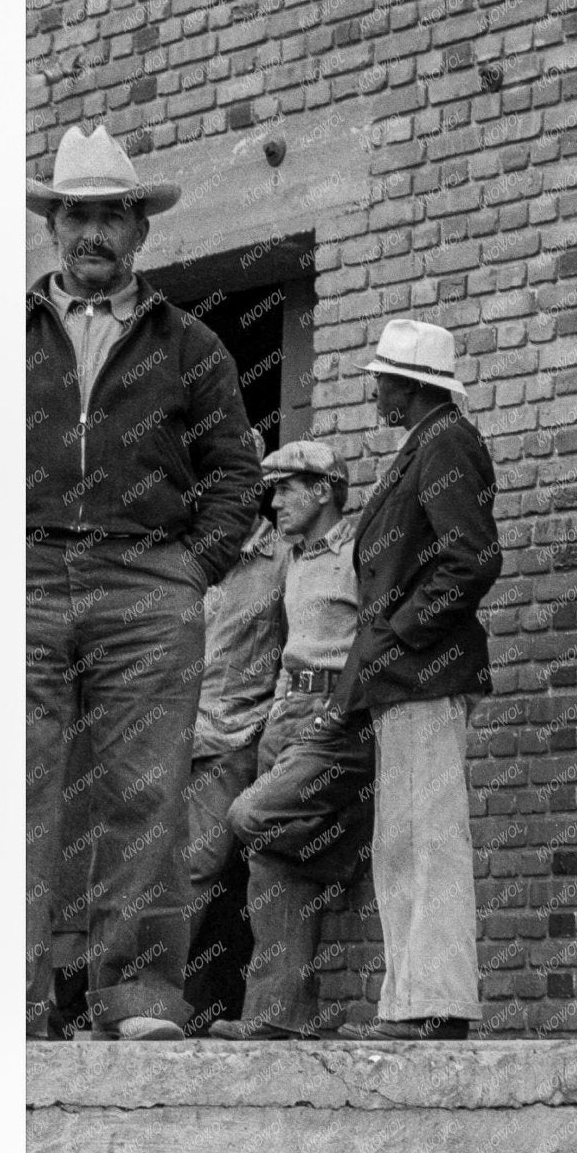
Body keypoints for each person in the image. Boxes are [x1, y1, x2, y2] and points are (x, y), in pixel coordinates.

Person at [26, 124, 262, 1039]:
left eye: (111, 218)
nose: (93, 234)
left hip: (146, 585)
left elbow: (235, 474)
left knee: (146, 791)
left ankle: (138, 996)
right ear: (55, 226)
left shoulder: (191, 342)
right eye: (77, 215)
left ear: (140, 232)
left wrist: (190, 570)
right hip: (29, 575)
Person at [327, 317, 501, 1041]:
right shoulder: (423, 445)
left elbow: (472, 558)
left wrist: (400, 637)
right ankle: (411, 1000)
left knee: (427, 839)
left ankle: (438, 1004)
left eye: (383, 379)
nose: (375, 390)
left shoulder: (447, 442)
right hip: (401, 682)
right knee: (401, 841)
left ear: (411, 385)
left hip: (424, 674)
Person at [209, 441, 376, 1039]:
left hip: (336, 715)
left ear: (324, 489)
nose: (273, 500)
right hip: (287, 711)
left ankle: (340, 852)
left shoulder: (361, 551)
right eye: (271, 487)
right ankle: (277, 1016)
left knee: (249, 816)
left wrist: (342, 711)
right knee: (270, 861)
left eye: (286, 487)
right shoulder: (291, 558)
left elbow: (375, 638)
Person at [181, 494, 288, 1030]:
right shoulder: (195, 549)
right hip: (173, 733)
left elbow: (297, 648)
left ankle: (164, 1000)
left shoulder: (285, 558)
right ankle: (125, 999)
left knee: (200, 868)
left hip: (234, 736)